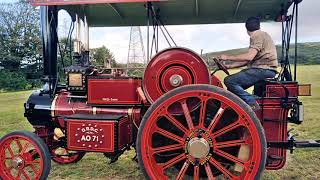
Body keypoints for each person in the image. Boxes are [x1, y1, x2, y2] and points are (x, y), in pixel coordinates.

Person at [217, 17, 278, 111]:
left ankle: (251, 102)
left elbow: (249, 57)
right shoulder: (263, 35)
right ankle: (235, 112)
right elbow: (248, 61)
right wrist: (228, 66)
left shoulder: (257, 36)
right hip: (266, 70)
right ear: (258, 26)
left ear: (246, 28)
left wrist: (227, 57)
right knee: (232, 91)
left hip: (262, 70)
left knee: (229, 81)